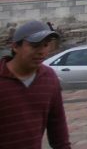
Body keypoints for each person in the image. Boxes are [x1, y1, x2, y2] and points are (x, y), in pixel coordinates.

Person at [0, 20, 71, 149]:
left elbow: (58, 131)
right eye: (35, 45)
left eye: (45, 45)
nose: (42, 51)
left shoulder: (49, 78)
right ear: (15, 47)